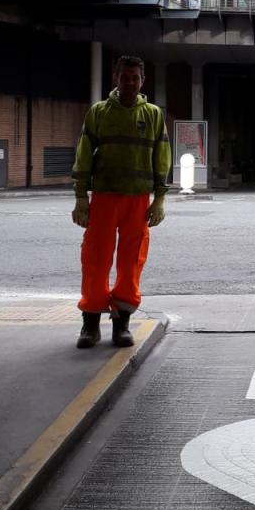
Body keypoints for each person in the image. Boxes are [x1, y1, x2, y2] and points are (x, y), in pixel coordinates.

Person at [71, 55, 171, 349]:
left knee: (131, 263)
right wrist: (80, 197)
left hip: (138, 200)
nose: (130, 82)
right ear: (115, 78)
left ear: (142, 81)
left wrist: (160, 198)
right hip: (103, 197)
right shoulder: (99, 112)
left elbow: (161, 157)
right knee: (95, 259)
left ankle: (121, 324)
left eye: (135, 78)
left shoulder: (152, 114)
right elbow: (84, 154)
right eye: (125, 77)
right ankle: (90, 323)